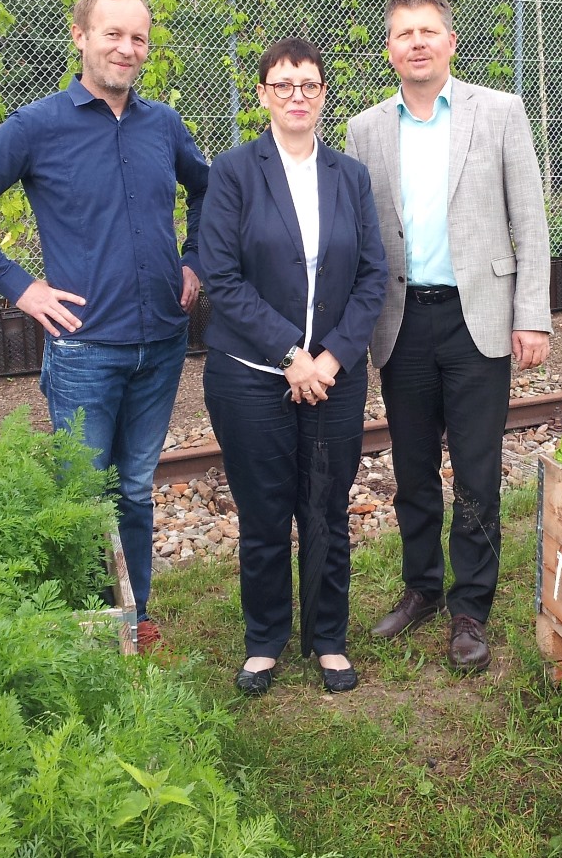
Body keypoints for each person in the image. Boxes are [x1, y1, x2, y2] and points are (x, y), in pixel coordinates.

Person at [0, 0, 208, 655]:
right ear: (81, 37)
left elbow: (208, 190)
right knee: (81, 494)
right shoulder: (37, 126)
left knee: (135, 487)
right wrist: (21, 287)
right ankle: (91, 626)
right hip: (85, 348)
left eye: (138, 38)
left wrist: (194, 259)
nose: (127, 48)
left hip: (161, 344)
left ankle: (135, 617)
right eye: (113, 34)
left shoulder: (163, 125)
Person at [345, 0, 552, 673]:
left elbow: (530, 221)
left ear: (450, 42)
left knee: (477, 470)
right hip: (401, 321)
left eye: (428, 31)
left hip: (478, 317)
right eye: (404, 33)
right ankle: (422, 588)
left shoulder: (500, 112)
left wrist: (532, 314)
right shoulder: (365, 130)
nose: (417, 43)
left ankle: (471, 607)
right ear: (389, 49)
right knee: (410, 469)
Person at [199, 37, 388, 696]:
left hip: (333, 376)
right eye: (282, 84)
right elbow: (221, 276)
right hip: (251, 373)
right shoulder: (233, 172)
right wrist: (290, 355)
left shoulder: (349, 176)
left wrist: (330, 357)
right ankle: (264, 640)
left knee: (327, 507)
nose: (296, 96)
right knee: (265, 510)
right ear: (263, 95)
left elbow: (372, 275)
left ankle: (329, 638)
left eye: (308, 84)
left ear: (323, 94)